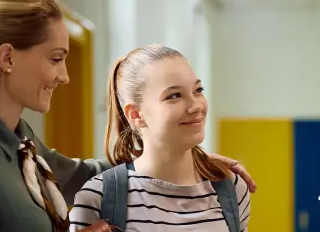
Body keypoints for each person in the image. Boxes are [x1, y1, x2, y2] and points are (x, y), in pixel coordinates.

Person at [0, 0, 256, 232]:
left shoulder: (20, 143)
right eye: (56, 59)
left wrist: (178, 156)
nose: (65, 76)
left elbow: (80, 175)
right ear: (8, 57)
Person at [69, 45, 252, 231]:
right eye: (174, 95)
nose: (195, 106)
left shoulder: (232, 188)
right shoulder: (98, 197)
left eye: (198, 90)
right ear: (136, 115)